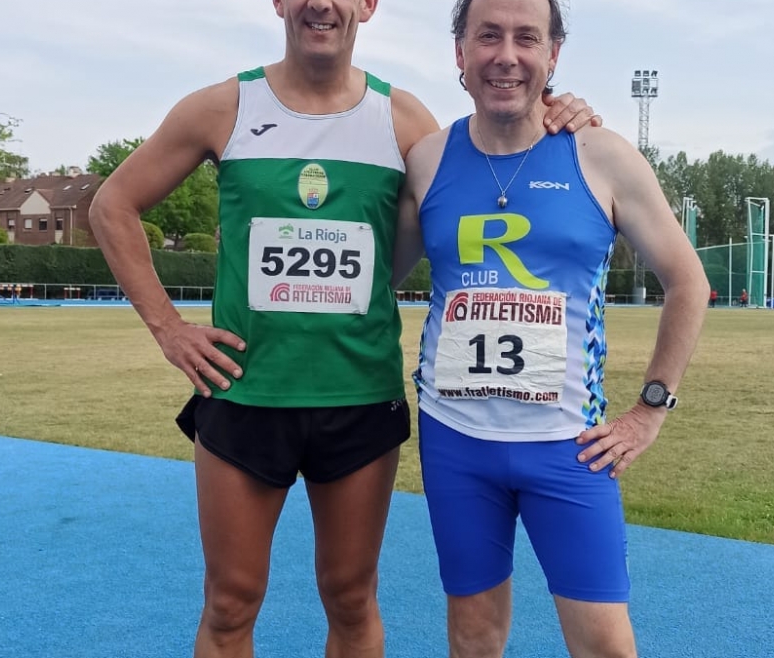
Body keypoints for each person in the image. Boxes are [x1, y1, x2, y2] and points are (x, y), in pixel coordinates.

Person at [87, 2, 602, 656]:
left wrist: (558, 110)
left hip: (359, 401)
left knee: (352, 598)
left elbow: (500, 160)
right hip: (246, 398)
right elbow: (113, 206)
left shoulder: (404, 121)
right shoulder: (222, 108)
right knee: (228, 604)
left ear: (368, 5)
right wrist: (167, 328)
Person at [392, 0, 710, 655]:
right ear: (459, 52)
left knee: (604, 645)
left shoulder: (602, 156)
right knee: (473, 635)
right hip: (456, 442)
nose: (506, 55)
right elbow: (378, 278)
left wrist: (650, 408)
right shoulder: (426, 160)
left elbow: (689, 282)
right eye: (488, 36)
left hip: (569, 444)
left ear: (553, 54)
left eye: (526, 38)